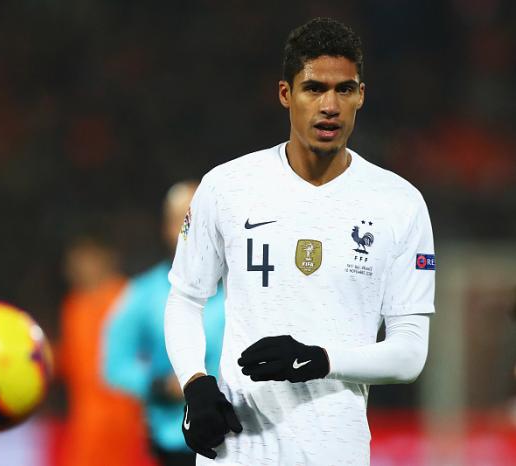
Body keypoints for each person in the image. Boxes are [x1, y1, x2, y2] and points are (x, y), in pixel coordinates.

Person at [164, 17, 435, 465]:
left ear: (361, 95)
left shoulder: (399, 204)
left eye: (344, 90)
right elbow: (185, 299)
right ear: (285, 94)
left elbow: (409, 354)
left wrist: (322, 359)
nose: (330, 105)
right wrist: (194, 382)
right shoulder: (227, 187)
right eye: (313, 88)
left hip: (335, 452)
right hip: (237, 450)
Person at [103, 181, 225, 466]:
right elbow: (115, 365)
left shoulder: (243, 288)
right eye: (183, 221)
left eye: (203, 220)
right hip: (177, 442)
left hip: (243, 440)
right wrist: (157, 385)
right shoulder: (143, 294)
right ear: (166, 228)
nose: (194, 231)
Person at [54, 234, 153, 466]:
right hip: (86, 421)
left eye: (87, 259)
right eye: (75, 261)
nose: (79, 267)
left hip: (126, 418)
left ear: (107, 259)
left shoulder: (129, 297)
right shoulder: (73, 306)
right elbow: (72, 359)